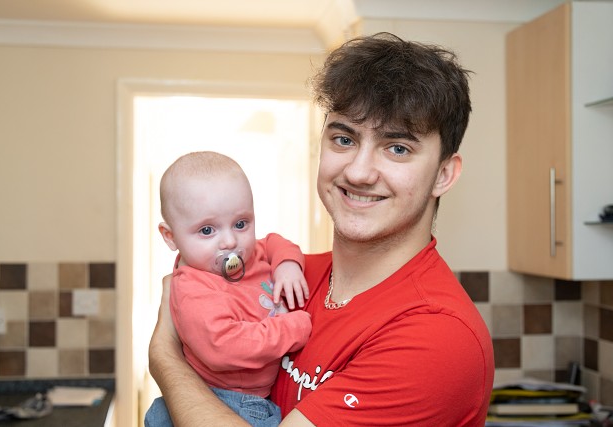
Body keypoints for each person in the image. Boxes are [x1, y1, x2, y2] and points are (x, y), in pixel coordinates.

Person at [148, 32, 495, 426]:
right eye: (344, 139)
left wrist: (164, 356)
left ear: (444, 174)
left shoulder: (436, 335)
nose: (359, 172)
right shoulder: (289, 275)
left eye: (397, 148)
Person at [145, 151, 312, 427]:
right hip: (230, 400)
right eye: (207, 230)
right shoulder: (193, 288)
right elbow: (225, 347)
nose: (230, 241)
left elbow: (273, 242)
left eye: (240, 224)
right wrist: (294, 328)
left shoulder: (250, 253)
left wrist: (287, 264)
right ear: (170, 236)